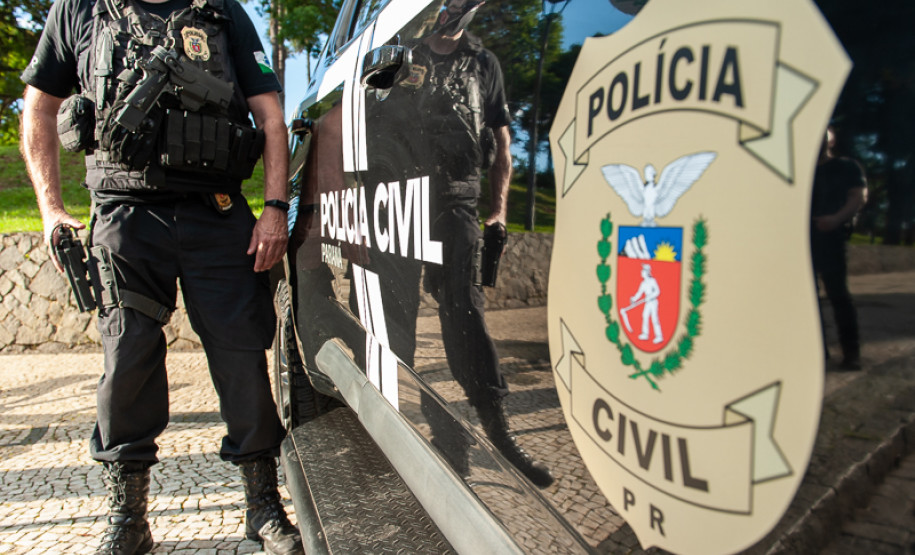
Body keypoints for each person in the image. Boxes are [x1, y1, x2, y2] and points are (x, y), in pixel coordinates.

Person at [19, 0, 303, 553]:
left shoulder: (221, 12)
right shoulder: (79, 10)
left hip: (216, 212)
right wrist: (51, 209)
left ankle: (263, 505)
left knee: (242, 355)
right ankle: (129, 520)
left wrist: (274, 206)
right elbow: (39, 107)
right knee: (127, 361)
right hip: (125, 217)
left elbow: (269, 115)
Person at [367, 0, 554, 487]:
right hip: (401, 204)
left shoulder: (483, 62)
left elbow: (503, 143)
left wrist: (498, 211)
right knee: (397, 319)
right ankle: (399, 433)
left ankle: (500, 432)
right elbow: (370, 133)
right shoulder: (401, 54)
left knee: (466, 314)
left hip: (456, 204)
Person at [811, 125, 867, 371]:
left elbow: (858, 196)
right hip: (802, 240)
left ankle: (851, 352)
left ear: (832, 140)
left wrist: (836, 219)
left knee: (838, 296)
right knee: (807, 299)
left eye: (826, 135)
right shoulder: (803, 171)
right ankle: (816, 351)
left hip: (831, 238)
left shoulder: (846, 167)